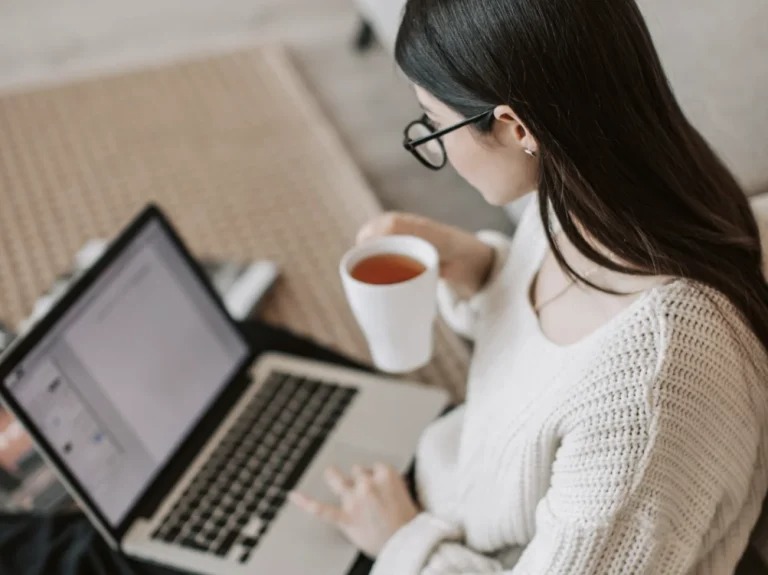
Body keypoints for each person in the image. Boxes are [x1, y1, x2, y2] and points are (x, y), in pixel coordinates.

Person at [286, 0, 768, 573]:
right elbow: (554, 341)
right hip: (457, 490)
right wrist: (483, 269)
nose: (436, 143)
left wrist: (404, 542)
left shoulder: (648, 393)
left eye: (436, 124)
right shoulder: (605, 187)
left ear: (516, 127)